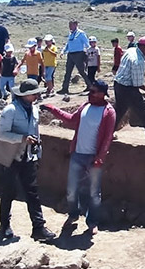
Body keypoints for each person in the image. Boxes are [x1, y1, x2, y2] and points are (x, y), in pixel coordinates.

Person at [43, 80, 117, 236]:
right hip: (78, 154)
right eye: (90, 90)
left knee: (94, 193)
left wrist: (100, 158)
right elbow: (71, 120)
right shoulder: (85, 106)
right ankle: (73, 214)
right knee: (71, 190)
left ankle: (92, 222)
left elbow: (107, 137)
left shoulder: (108, 112)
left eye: (94, 91)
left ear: (103, 94)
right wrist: (53, 109)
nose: (90, 94)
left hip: (94, 157)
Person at [0, 79, 54, 243]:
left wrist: (37, 152)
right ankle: (4, 225)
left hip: (29, 157)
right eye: (34, 93)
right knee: (8, 192)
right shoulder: (10, 110)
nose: (37, 95)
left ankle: (38, 227)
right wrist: (22, 139)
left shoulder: (33, 110)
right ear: (26, 95)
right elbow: (2, 134)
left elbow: (36, 133)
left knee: (32, 192)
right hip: (12, 157)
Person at [60, 20, 91, 95]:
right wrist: (63, 51)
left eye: (71, 25)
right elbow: (68, 44)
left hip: (79, 54)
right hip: (70, 54)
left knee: (81, 71)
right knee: (68, 71)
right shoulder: (70, 34)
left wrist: (89, 52)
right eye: (69, 25)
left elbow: (87, 43)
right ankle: (65, 88)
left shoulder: (81, 33)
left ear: (76, 25)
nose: (70, 27)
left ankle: (90, 86)